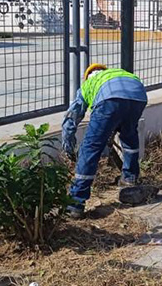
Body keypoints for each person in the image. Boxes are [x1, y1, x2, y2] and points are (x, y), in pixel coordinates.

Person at [61, 64, 147, 218]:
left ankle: (75, 202)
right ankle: (129, 180)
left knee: (90, 147)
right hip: (138, 95)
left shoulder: (88, 84)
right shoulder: (119, 73)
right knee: (129, 138)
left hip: (109, 100)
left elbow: (71, 119)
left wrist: (68, 146)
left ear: (87, 76)